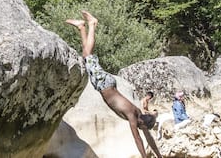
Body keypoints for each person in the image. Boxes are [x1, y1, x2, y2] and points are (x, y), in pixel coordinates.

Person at [65, 12, 160, 157]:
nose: (140, 129)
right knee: (87, 56)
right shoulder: (133, 117)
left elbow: (148, 138)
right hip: (105, 85)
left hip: (106, 84)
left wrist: (159, 156)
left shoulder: (139, 114)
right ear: (141, 123)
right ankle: (91, 24)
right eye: (141, 127)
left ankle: (81, 28)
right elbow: (138, 139)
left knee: (86, 57)